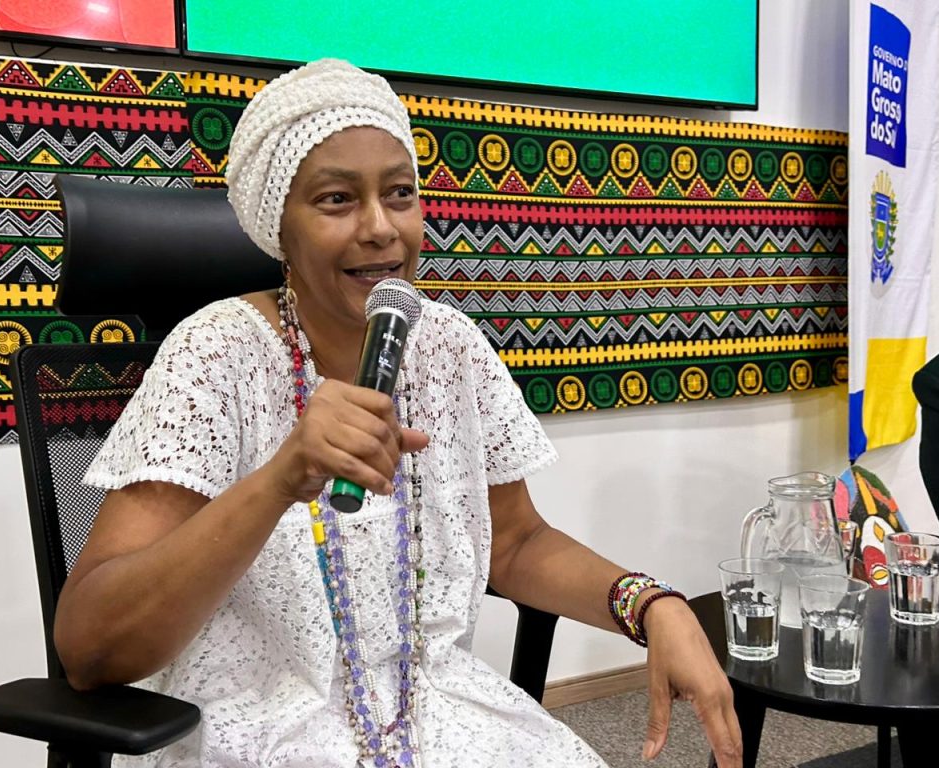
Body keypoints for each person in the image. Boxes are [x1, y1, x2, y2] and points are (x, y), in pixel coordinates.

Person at [54, 59, 742, 768]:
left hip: (433, 708)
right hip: (260, 726)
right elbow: (90, 649)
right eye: (336, 199)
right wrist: (281, 480)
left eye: (400, 194)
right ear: (279, 229)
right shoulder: (213, 353)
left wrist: (650, 604)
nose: (381, 228)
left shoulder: (448, 344)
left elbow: (515, 542)